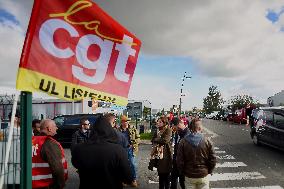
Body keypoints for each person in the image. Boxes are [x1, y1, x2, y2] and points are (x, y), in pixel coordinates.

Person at [71, 116, 132, 189]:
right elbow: (128, 178)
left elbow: (75, 164)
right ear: (110, 131)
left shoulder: (79, 149)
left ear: (93, 130)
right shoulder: (118, 150)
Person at [176, 118, 216, 189]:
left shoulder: (183, 141)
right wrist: (209, 170)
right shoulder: (207, 141)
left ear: (190, 127)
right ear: (200, 127)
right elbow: (213, 159)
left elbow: (179, 160)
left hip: (189, 175)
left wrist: (182, 172)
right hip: (203, 174)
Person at [32, 119, 68, 189]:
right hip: (45, 185)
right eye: (55, 126)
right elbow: (58, 169)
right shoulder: (50, 143)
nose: (57, 128)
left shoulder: (31, 140)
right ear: (49, 129)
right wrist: (60, 185)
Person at [118, 115, 140, 187]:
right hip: (122, 150)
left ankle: (133, 180)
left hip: (131, 149)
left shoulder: (132, 128)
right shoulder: (118, 130)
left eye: (127, 121)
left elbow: (138, 138)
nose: (126, 122)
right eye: (125, 121)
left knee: (132, 164)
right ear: (121, 122)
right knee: (122, 165)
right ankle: (123, 180)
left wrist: (133, 144)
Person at [151, 116, 172, 189]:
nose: (158, 123)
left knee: (166, 175)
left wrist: (157, 139)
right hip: (158, 154)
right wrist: (158, 139)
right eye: (158, 121)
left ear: (164, 122)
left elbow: (165, 140)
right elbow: (152, 139)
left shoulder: (168, 129)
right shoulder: (157, 130)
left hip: (166, 154)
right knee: (160, 175)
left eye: (160, 122)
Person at [170, 117, 190, 189]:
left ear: (177, 125)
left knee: (183, 182)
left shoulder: (188, 135)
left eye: (172, 126)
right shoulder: (177, 132)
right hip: (176, 162)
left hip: (183, 165)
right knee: (173, 179)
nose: (172, 128)